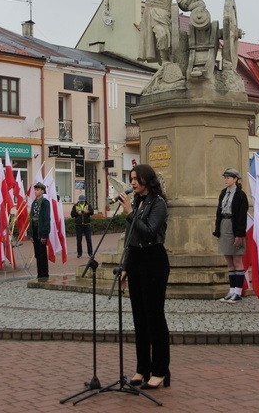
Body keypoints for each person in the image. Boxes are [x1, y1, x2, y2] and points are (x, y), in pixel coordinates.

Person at [119, 164, 170, 390]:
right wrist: (125, 266)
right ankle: (142, 368)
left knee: (154, 317)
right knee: (139, 318)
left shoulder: (158, 204)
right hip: (137, 260)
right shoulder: (138, 203)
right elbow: (131, 238)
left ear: (147, 180)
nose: (132, 183)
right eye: (130, 179)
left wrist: (130, 214)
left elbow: (149, 231)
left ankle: (160, 370)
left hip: (154, 261)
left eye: (136, 179)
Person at [213, 168, 249, 303]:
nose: (226, 179)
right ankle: (231, 290)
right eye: (225, 177)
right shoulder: (223, 193)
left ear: (235, 179)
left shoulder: (240, 195)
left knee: (237, 260)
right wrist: (217, 231)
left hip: (234, 228)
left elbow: (241, 216)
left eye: (228, 177)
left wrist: (239, 234)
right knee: (229, 261)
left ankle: (238, 292)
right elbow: (218, 213)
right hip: (224, 225)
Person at [28, 182, 51, 279]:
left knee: (42, 253)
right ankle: (39, 274)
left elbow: (46, 219)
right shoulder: (34, 203)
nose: (36, 191)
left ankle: (44, 274)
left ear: (42, 191)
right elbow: (31, 218)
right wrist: (31, 234)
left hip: (41, 229)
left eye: (38, 190)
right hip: (35, 229)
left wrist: (44, 235)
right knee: (37, 253)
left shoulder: (45, 203)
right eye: (35, 190)